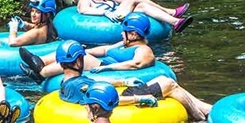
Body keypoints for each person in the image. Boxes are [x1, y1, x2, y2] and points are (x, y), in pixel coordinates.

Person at [25, 39, 211, 120]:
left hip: (121, 91)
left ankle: (204, 109)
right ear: (78, 61)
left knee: (166, 82)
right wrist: (139, 98)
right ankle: (200, 117)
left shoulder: (68, 81)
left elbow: (98, 85)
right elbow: (104, 100)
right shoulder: (80, 85)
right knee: (168, 83)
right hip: (125, 99)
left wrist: (124, 82)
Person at [18, 12, 157, 81]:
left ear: (133, 34)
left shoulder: (144, 50)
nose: (121, 33)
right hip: (104, 63)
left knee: (79, 58)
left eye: (124, 31)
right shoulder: (125, 43)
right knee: (73, 49)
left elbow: (136, 64)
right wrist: (84, 49)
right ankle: (39, 61)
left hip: (108, 68)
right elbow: (105, 49)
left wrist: (107, 67)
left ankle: (41, 74)